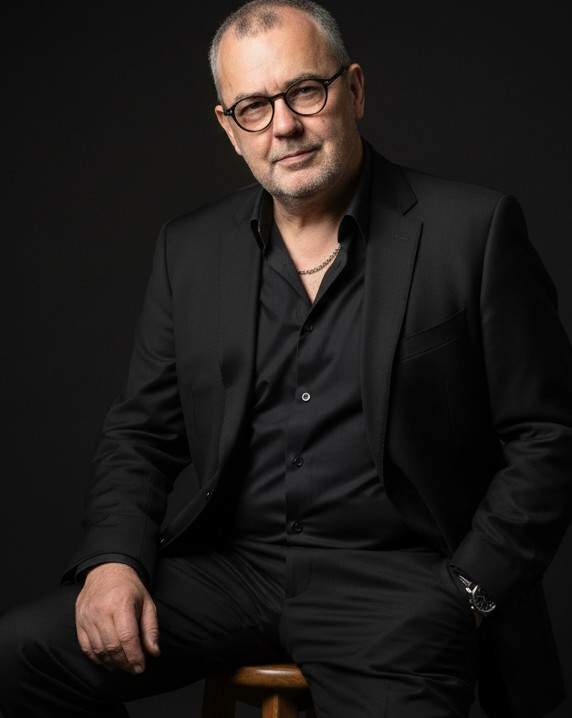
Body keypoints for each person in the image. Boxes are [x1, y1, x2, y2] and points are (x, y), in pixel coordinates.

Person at [1, 1, 572, 716]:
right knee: (19, 658)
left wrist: (469, 590)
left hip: (399, 585)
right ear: (229, 127)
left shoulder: (472, 230)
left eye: (306, 91)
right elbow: (140, 432)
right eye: (254, 107)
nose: (284, 126)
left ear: (354, 89)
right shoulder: (189, 248)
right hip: (234, 572)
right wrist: (112, 560)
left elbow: (550, 434)